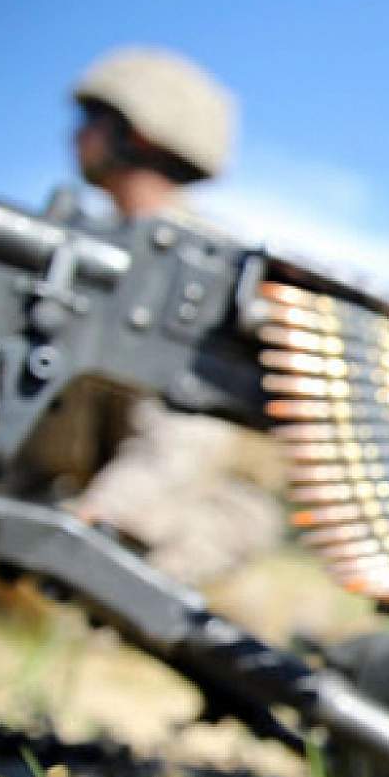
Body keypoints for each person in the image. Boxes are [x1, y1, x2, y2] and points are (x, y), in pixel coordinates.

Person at [56, 46, 287, 589]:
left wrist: (95, 523)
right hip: (72, 483)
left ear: (139, 135)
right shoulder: (92, 241)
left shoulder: (213, 269)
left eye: (92, 120)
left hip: (169, 511)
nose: (75, 136)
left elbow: (191, 427)